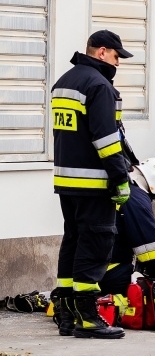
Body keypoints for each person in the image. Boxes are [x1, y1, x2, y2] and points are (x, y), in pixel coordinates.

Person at [51, 29, 133, 339]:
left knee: (72, 241)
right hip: (94, 182)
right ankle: (87, 316)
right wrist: (120, 179)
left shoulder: (65, 82)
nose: (118, 63)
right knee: (96, 244)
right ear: (101, 52)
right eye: (116, 56)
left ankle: (65, 312)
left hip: (66, 179)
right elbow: (107, 141)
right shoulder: (99, 86)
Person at [99, 158, 155, 296]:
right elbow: (149, 250)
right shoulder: (137, 198)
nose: (152, 200)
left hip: (91, 270)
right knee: (140, 296)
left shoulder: (123, 188)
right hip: (111, 274)